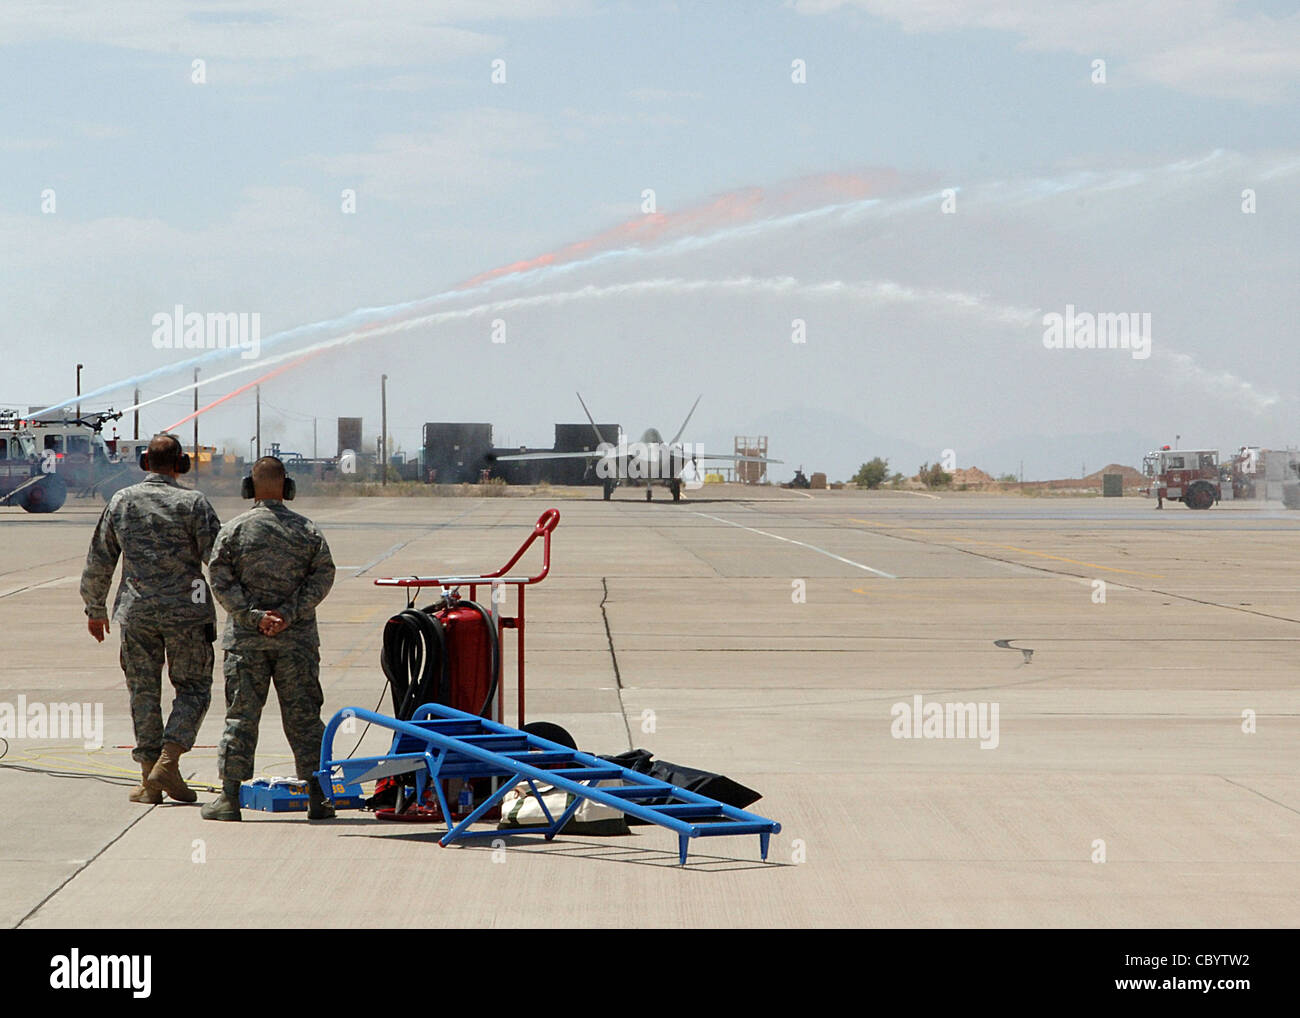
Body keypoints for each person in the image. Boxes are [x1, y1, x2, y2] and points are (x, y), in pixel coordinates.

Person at [80, 432, 221, 804]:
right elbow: (219, 562)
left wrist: (95, 608)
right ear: (180, 465)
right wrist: (245, 607)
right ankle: (167, 761)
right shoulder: (195, 504)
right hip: (187, 614)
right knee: (193, 688)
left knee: (143, 693)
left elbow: (100, 558)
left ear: (145, 463)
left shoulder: (122, 501)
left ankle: (150, 779)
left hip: (137, 612)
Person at [201, 456, 336, 821]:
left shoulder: (233, 530)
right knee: (306, 719)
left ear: (249, 486)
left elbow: (219, 580)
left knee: (241, 718)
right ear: (287, 487)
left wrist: (254, 617)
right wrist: (287, 614)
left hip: (246, 644)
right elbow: (323, 577)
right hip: (297, 643)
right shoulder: (307, 531)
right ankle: (318, 799)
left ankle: (229, 799)